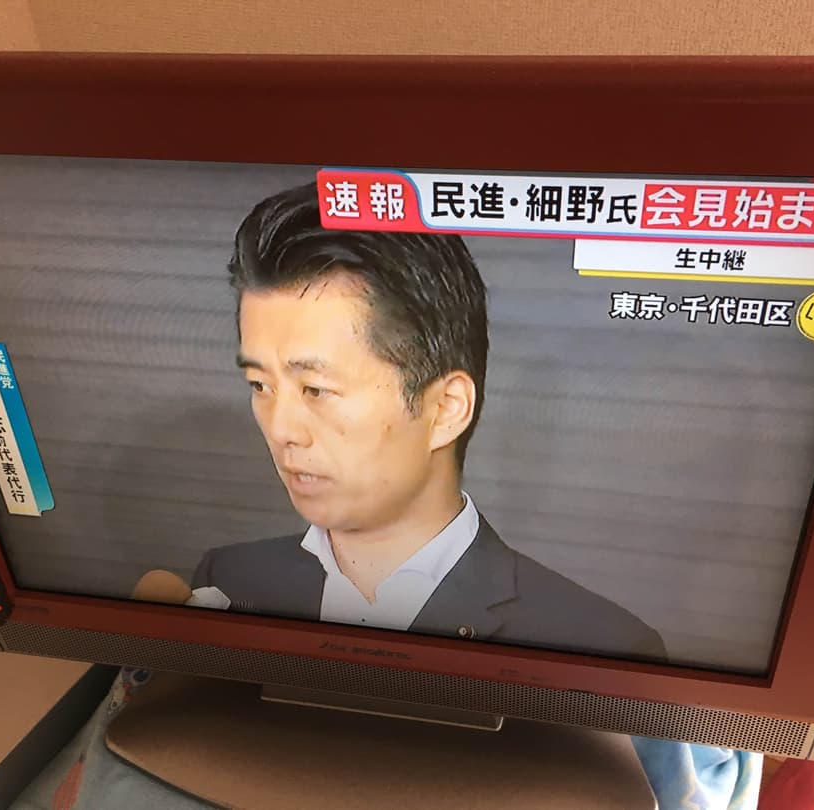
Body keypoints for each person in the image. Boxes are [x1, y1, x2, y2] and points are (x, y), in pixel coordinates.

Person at [181, 182, 665, 661]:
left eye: (315, 390)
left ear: (446, 408)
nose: (281, 429)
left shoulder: (601, 646)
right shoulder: (227, 581)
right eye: (260, 385)